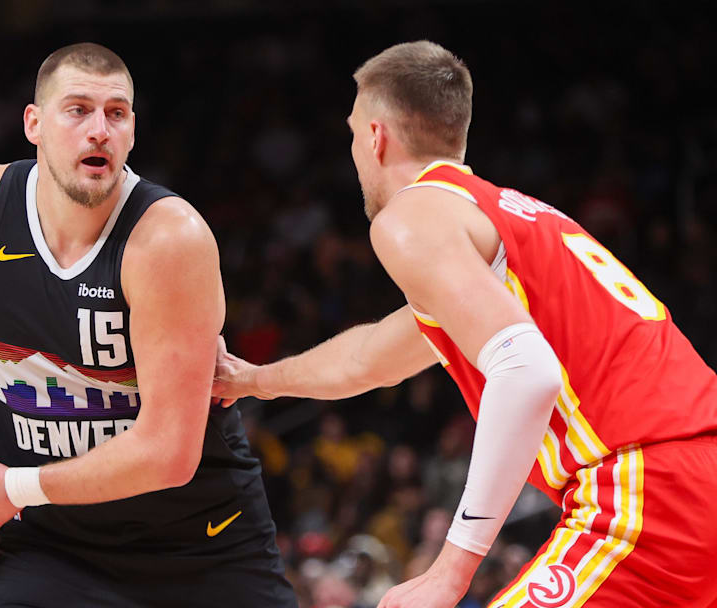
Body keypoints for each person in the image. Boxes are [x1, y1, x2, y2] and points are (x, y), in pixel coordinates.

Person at [213, 40, 717, 607]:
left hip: (648, 488)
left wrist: (449, 571)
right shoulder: (508, 218)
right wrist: (254, 380)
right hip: (694, 473)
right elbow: (369, 358)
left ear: (376, 137)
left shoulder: (412, 214)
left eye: (353, 133)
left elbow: (527, 371)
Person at [0, 42, 295, 607]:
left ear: (132, 131)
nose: (99, 130)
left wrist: (12, 489)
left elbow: (168, 453)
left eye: (116, 113)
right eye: (78, 109)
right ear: (33, 124)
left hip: (198, 548)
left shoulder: (167, 241)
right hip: (53, 548)